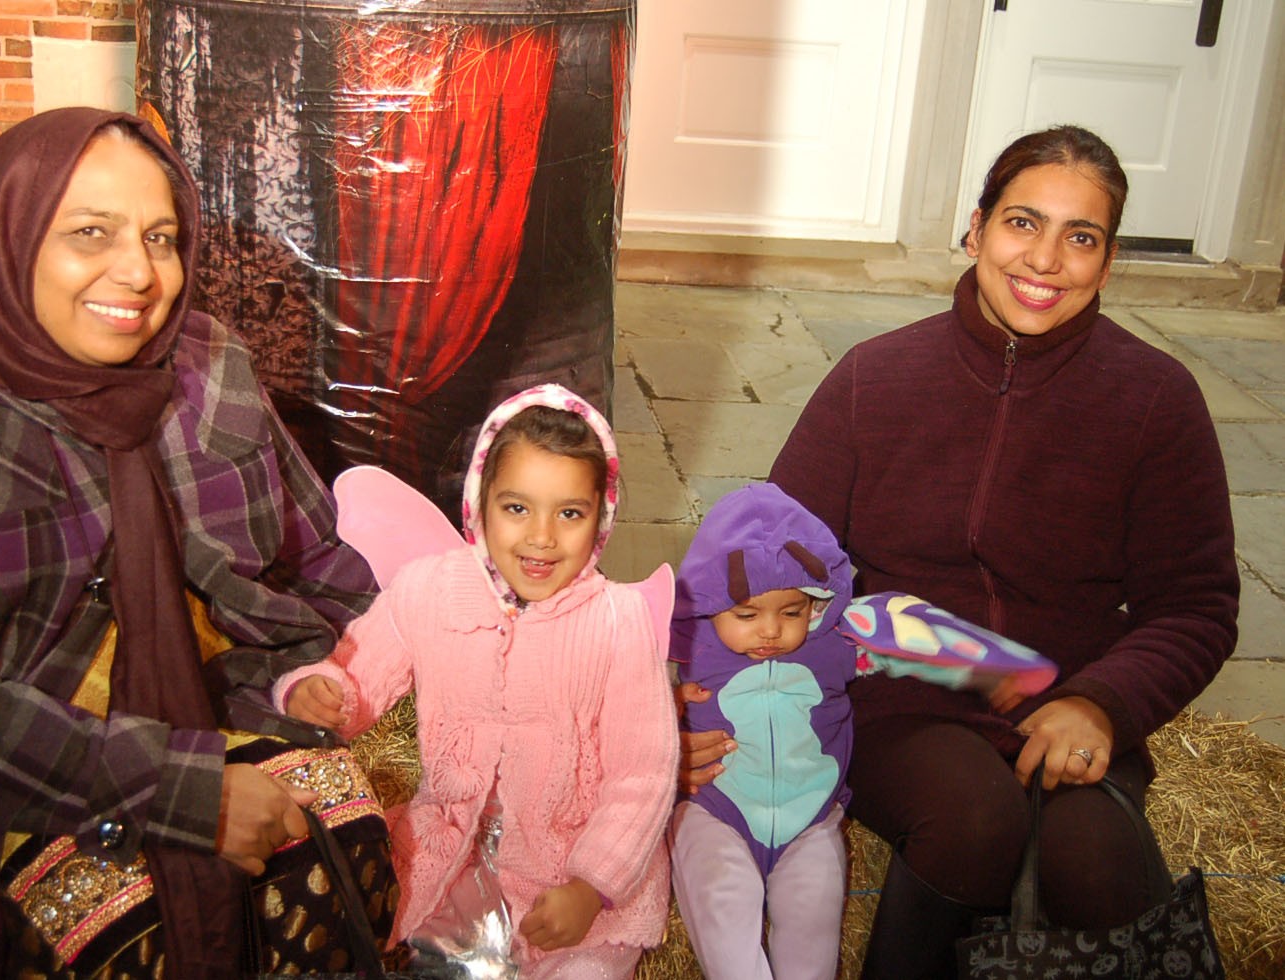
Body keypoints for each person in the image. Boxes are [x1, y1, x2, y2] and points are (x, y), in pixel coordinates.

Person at [0, 107, 378, 978]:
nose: (139, 273)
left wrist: (395, 655)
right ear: (9, 237)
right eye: (89, 233)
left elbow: (314, 556)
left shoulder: (208, 367)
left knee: (342, 847)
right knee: (119, 941)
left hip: (210, 691)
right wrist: (187, 795)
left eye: (160, 237)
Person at [684, 125, 1239, 979]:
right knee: (975, 820)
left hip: (1065, 698)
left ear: (1107, 260)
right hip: (892, 699)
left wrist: (1100, 705)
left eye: (1080, 236)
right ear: (976, 230)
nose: (1044, 259)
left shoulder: (1156, 401)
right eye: (1022, 223)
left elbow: (1196, 606)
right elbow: (761, 566)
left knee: (1095, 863)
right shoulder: (873, 379)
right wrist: (687, 705)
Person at [276, 384, 679, 979]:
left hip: (573, 871)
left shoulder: (618, 622)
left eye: (570, 513)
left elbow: (643, 772)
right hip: (451, 849)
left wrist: (592, 885)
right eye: (517, 508)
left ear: (602, 516)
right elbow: (353, 675)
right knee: (408, 952)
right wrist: (317, 689)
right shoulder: (429, 589)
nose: (542, 537)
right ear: (478, 503)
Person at [671, 483, 1022, 980]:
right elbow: (610, 672)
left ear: (816, 603)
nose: (769, 630)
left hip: (810, 819)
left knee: (813, 933)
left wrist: (996, 666)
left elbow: (910, 633)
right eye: (746, 614)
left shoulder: (837, 639)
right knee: (724, 917)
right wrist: (664, 707)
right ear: (710, 601)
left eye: (791, 612)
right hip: (715, 813)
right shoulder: (686, 641)